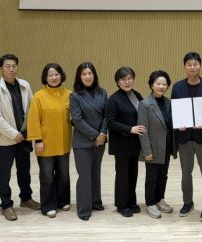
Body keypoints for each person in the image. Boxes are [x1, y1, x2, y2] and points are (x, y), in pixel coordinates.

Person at [0, 54, 40, 221]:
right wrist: (13, 134)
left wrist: (26, 133)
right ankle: (6, 205)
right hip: (6, 140)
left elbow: (31, 109)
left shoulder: (25, 85)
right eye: (7, 66)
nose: (11, 69)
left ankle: (26, 198)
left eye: (14, 66)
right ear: (1, 69)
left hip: (24, 137)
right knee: (5, 174)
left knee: (24, 170)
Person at [170, 52, 202, 222]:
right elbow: (174, 110)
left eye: (195, 64)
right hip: (184, 136)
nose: (192, 67)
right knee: (186, 173)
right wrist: (178, 123)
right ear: (184, 67)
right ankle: (187, 202)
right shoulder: (177, 87)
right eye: (189, 64)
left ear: (200, 66)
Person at [27, 63, 72, 218]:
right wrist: (38, 140)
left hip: (64, 142)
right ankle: (48, 204)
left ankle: (63, 200)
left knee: (64, 174)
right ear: (45, 78)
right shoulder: (39, 96)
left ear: (61, 76)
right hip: (45, 144)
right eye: (50, 75)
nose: (54, 78)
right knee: (47, 176)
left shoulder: (69, 94)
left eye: (56, 74)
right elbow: (33, 120)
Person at [70, 62, 108, 221]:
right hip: (82, 142)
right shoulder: (75, 96)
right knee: (85, 175)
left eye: (90, 73)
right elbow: (77, 120)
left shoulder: (103, 92)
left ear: (94, 75)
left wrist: (103, 133)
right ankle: (84, 209)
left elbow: (107, 115)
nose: (87, 76)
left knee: (95, 172)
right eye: (84, 74)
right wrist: (95, 136)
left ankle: (96, 202)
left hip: (100, 140)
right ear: (79, 77)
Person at [138, 70, 178, 219]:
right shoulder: (145, 104)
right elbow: (142, 130)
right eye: (158, 83)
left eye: (164, 84)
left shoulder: (168, 102)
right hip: (153, 148)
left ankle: (160, 199)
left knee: (163, 175)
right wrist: (147, 151)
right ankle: (150, 203)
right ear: (151, 85)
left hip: (167, 146)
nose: (161, 86)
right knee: (152, 177)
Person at [106, 66, 144, 217]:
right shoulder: (113, 99)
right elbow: (110, 122)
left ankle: (131, 202)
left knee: (133, 174)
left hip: (135, 143)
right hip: (121, 144)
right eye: (123, 79)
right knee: (122, 176)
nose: (127, 82)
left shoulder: (137, 95)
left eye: (129, 78)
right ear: (117, 82)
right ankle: (122, 205)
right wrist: (130, 129)